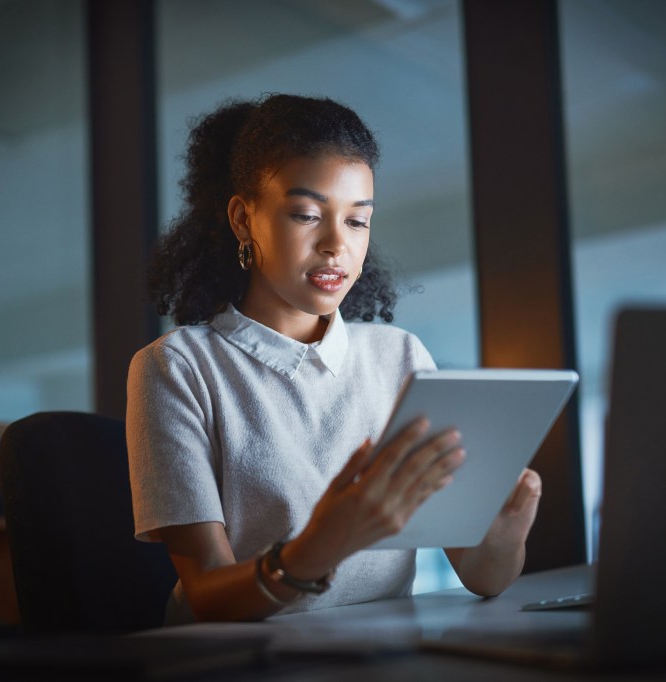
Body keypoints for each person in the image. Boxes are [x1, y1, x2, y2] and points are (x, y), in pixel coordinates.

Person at [127, 93, 541, 624]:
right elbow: (207, 594)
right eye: (306, 214)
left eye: (357, 221)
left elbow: (482, 575)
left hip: (383, 655)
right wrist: (320, 546)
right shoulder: (177, 367)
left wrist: (503, 536)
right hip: (243, 660)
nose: (335, 245)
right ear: (242, 218)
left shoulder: (401, 356)